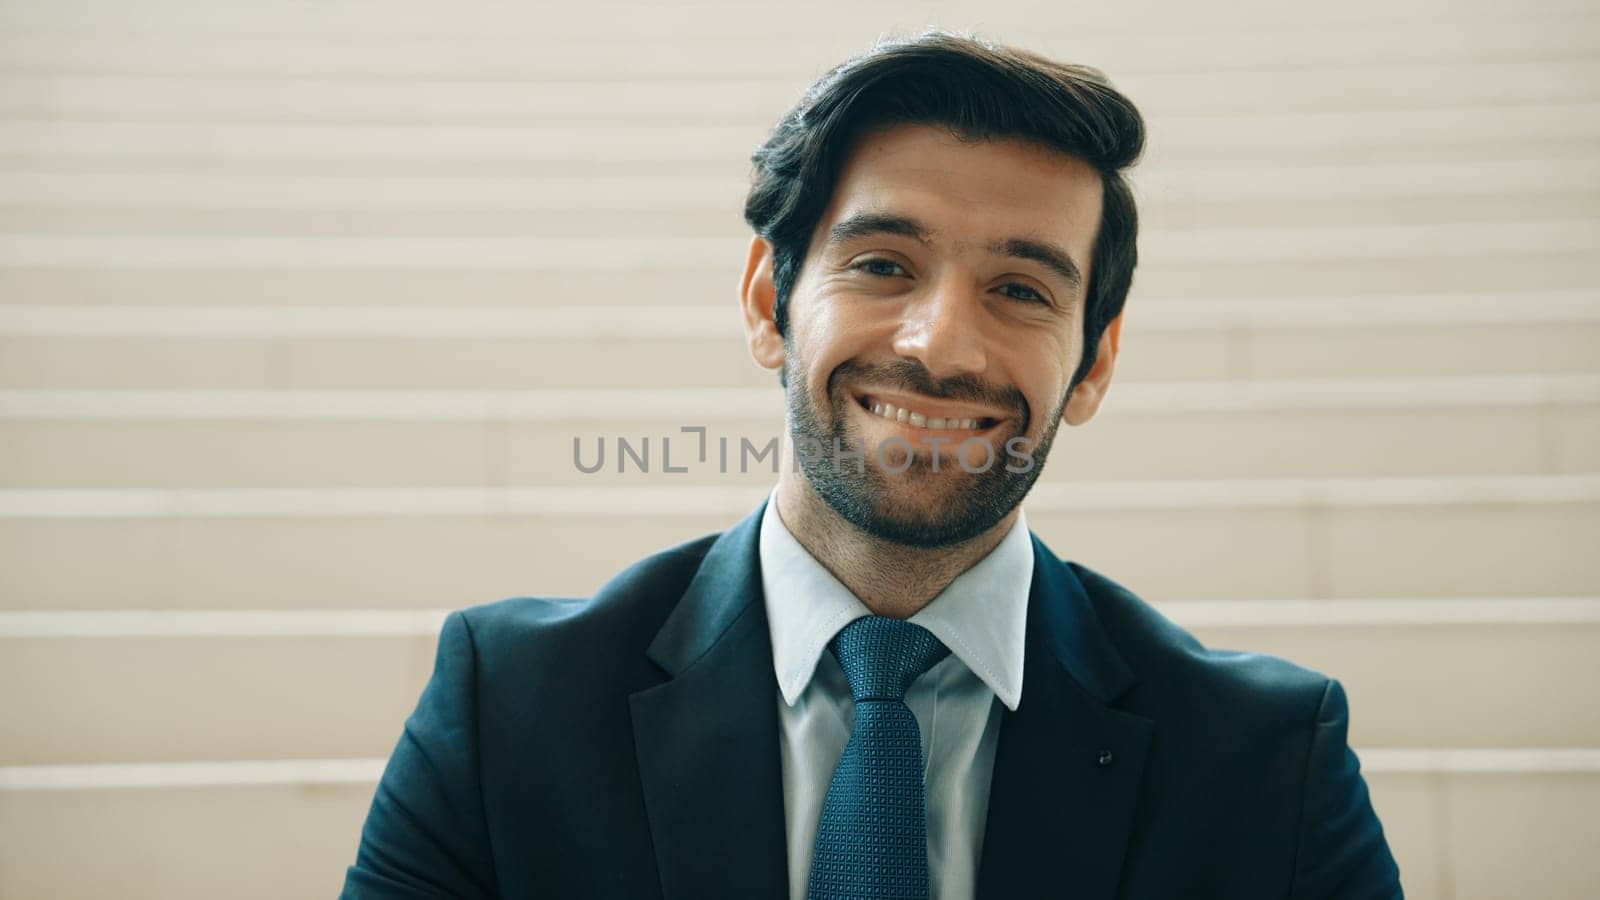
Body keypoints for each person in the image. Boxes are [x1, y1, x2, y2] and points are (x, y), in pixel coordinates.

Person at [342, 32, 1403, 899]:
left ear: (1094, 364)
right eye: (883, 265)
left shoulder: (1267, 760)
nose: (939, 347)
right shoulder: (510, 710)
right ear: (768, 301)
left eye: (1022, 290)